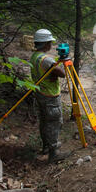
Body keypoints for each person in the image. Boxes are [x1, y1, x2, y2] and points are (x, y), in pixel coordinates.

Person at [30, 29, 70, 164]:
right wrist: (61, 63)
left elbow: (46, 72)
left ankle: (46, 146)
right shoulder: (46, 59)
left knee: (44, 121)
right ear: (45, 43)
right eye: (50, 43)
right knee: (53, 122)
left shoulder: (34, 56)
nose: (51, 45)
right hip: (50, 96)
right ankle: (53, 154)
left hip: (40, 93)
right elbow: (62, 73)